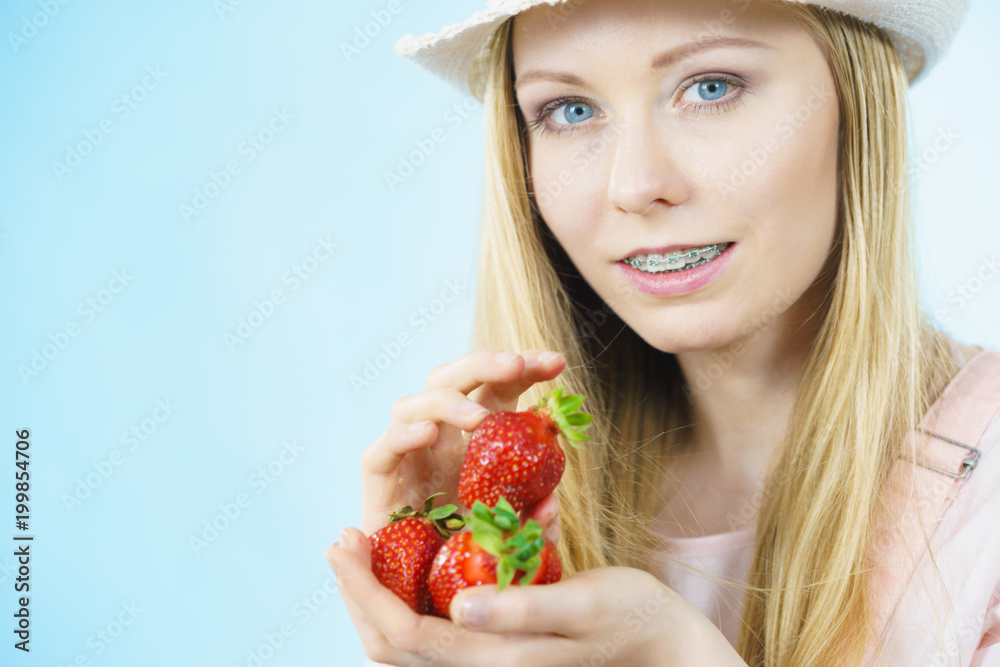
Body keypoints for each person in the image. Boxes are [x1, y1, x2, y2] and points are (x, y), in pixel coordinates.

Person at [325, 0, 1000, 664]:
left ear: (854, 105)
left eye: (711, 87)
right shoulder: (531, 514)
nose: (636, 184)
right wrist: (453, 617)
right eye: (571, 110)